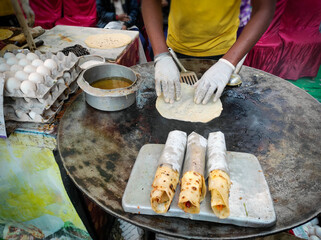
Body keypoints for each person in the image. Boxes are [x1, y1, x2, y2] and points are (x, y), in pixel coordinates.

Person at [141, 0, 276, 104]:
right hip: (175, 51)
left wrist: (228, 63)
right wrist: (161, 55)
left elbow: (264, 8)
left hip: (225, 52)